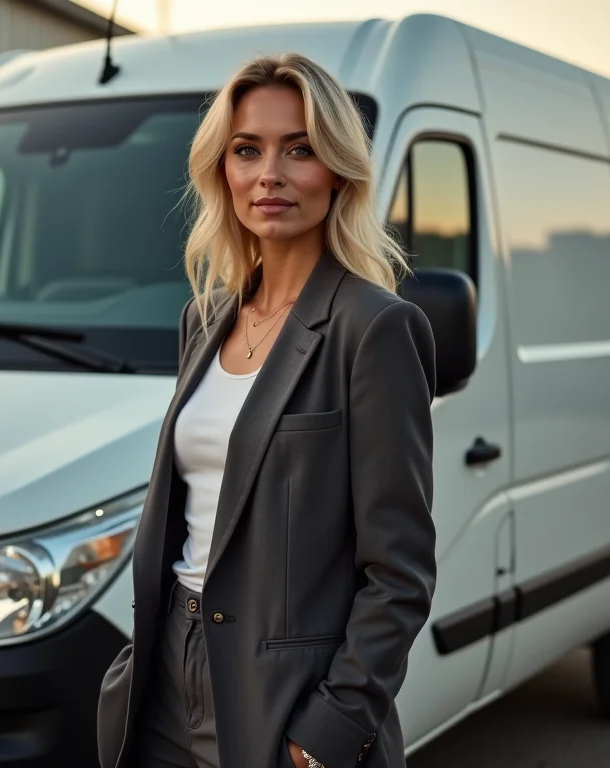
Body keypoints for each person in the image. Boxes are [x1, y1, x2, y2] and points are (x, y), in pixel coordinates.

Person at [97, 52, 437, 768]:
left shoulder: (374, 328)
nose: (269, 175)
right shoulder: (204, 319)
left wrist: (334, 725)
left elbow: (400, 572)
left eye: (299, 150)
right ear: (222, 169)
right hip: (165, 674)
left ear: (338, 171)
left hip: (284, 697)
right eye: (247, 150)